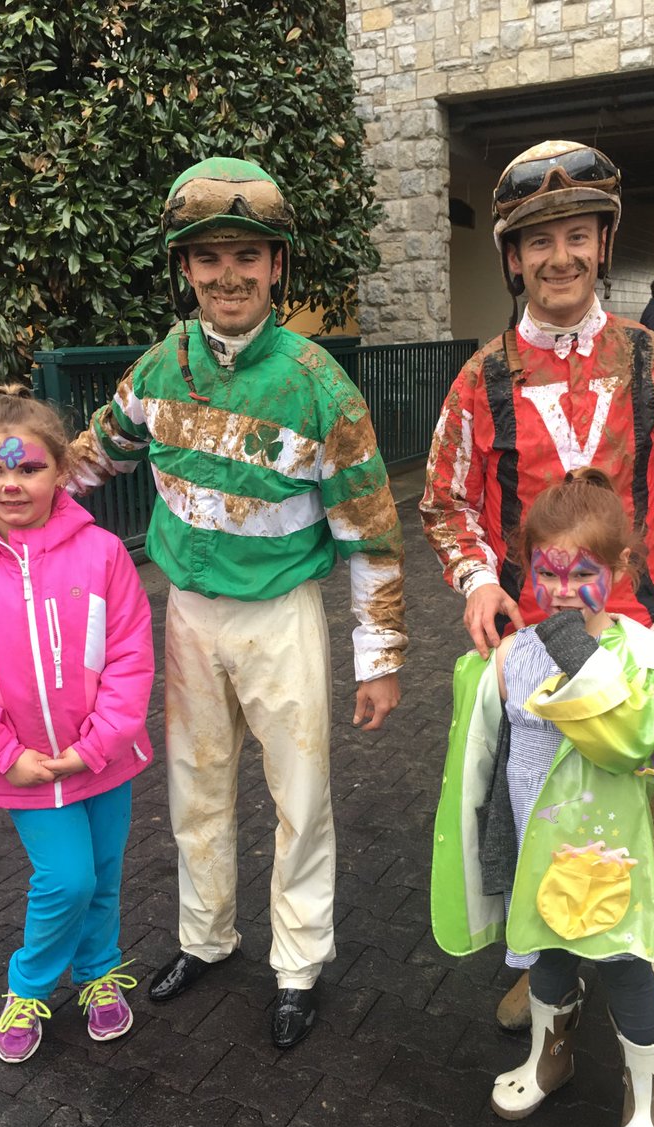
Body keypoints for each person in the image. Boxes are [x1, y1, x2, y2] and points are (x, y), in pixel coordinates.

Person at [69, 157, 407, 1050]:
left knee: (301, 797)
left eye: (246, 256)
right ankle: (206, 938)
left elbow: (372, 532)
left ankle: (298, 964)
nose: (228, 276)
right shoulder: (159, 366)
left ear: (276, 266)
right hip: (186, 614)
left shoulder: (320, 386)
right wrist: (9, 501)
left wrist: (379, 661)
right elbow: (93, 457)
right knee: (194, 788)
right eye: (208, 257)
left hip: (281, 616)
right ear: (185, 270)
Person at [420, 140, 654, 1077]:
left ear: (604, 244)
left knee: (653, 816)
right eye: (537, 241)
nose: (558, 257)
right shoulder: (481, 377)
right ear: (511, 258)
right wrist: (479, 581)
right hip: (532, 645)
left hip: (634, 638)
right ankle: (545, 961)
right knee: (534, 810)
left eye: (577, 236)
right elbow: (444, 504)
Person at [432, 470, 654, 1127]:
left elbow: (631, 736)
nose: (563, 588)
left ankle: (647, 1096)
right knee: (546, 959)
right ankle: (551, 1056)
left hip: (613, 859)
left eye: (584, 572)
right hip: (537, 854)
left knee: (628, 971)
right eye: (545, 573)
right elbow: (493, 752)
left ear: (621, 568)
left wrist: (573, 645)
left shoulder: (643, 655)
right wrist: (495, 849)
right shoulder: (514, 655)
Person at [0, 385, 154, 1063]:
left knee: (102, 874)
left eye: (28, 468)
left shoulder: (102, 552)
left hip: (104, 757)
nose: (11, 483)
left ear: (60, 472)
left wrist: (100, 742)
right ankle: (31, 984)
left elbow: (133, 654)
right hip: (23, 766)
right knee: (67, 878)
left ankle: (100, 972)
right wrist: (0, 753)